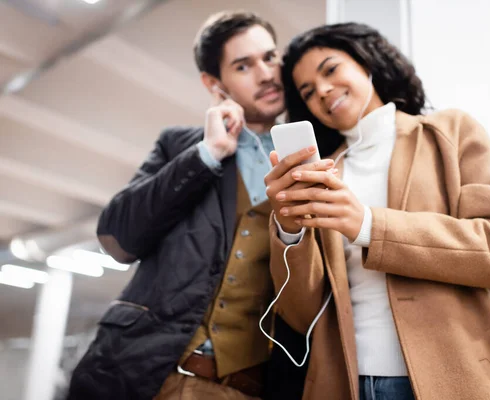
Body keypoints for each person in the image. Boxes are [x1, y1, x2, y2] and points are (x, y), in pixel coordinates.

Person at [264, 22, 490, 400]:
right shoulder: (322, 175)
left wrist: (369, 226)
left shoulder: (450, 131)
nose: (323, 91)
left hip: (457, 378)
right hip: (347, 385)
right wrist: (289, 232)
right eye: (308, 91)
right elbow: (300, 314)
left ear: (367, 63)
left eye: (330, 70)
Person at [67, 10, 315, 400]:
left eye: (270, 57)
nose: (266, 73)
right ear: (214, 84)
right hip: (144, 377)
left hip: (249, 389)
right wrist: (209, 152)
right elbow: (117, 238)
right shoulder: (180, 146)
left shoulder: (316, 157)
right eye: (243, 65)